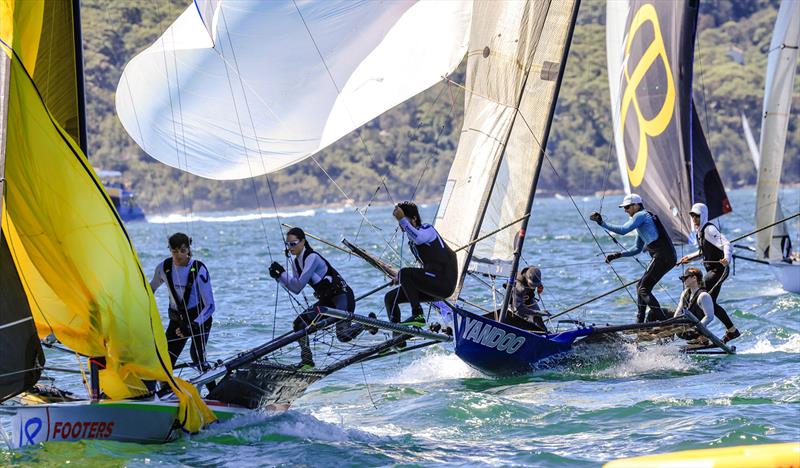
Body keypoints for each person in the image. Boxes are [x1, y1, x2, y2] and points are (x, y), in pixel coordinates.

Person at [269, 227, 368, 369]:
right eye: (287, 244)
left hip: (342, 297)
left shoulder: (312, 258)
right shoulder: (296, 263)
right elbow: (295, 288)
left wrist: (283, 274)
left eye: (293, 244)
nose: (290, 248)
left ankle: (367, 323)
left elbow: (298, 285)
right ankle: (307, 361)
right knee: (299, 324)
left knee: (343, 335)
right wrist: (279, 276)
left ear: (303, 242)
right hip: (327, 302)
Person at [590, 193, 676, 323]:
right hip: (667, 257)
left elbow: (623, 230)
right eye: (624, 208)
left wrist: (602, 223)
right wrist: (617, 255)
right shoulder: (643, 222)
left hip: (662, 256)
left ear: (636, 205)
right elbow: (636, 249)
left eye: (627, 207)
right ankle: (640, 321)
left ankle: (663, 321)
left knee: (643, 289)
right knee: (640, 286)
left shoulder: (641, 215)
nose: (625, 210)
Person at [384, 201, 457, 327]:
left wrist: (402, 219)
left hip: (444, 283)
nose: (401, 225)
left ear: (414, 219)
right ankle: (397, 333)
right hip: (432, 284)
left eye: (404, 220)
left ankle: (417, 314)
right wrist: (400, 278)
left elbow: (418, 238)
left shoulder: (427, 229)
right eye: (399, 221)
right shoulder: (413, 243)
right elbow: (423, 269)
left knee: (405, 272)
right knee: (390, 298)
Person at [150, 232, 215, 371]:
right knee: (165, 360)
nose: (179, 255)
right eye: (174, 251)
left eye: (183, 250)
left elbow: (210, 306)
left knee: (196, 357)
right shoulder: (163, 268)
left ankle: (212, 384)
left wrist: (193, 325)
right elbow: (150, 289)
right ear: (169, 250)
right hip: (177, 321)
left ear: (189, 250)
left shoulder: (199, 269)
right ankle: (165, 385)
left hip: (199, 320)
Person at [678, 203, 740, 343]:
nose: (694, 219)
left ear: (703, 216)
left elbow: (727, 244)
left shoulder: (709, 229)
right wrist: (689, 258)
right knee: (710, 302)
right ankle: (732, 331)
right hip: (712, 271)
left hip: (719, 270)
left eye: (697, 216)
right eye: (692, 216)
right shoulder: (700, 232)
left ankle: (700, 335)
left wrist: (727, 259)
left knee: (701, 295)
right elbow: (703, 252)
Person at [673, 267, 715, 345]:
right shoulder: (684, 293)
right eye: (682, 279)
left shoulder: (704, 296)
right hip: (684, 330)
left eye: (685, 278)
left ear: (694, 278)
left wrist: (695, 329)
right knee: (654, 314)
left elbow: (709, 317)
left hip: (696, 332)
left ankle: (702, 338)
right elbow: (677, 314)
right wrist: (671, 326)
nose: (683, 281)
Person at [504, 266, 549, 333]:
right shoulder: (519, 287)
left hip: (529, 299)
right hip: (517, 303)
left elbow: (536, 279)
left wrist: (539, 286)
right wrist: (539, 313)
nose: (533, 287)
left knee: (538, 320)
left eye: (535, 285)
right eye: (532, 285)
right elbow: (519, 309)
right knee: (521, 321)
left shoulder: (532, 271)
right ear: (527, 280)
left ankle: (545, 333)